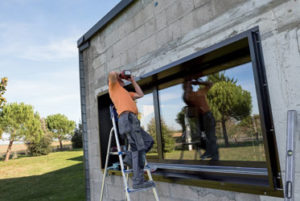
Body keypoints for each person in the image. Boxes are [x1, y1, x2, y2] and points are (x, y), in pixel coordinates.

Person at [108, 71, 154, 189]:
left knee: (148, 141)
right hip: (126, 118)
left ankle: (129, 158)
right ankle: (138, 181)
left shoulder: (127, 93)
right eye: (121, 79)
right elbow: (112, 73)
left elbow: (140, 94)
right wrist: (121, 74)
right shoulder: (113, 88)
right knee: (138, 148)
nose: (123, 80)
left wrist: (132, 80)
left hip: (133, 120)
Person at [183, 75, 219, 161]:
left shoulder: (199, 92)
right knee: (200, 137)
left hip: (207, 116)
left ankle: (214, 157)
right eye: (186, 87)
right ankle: (210, 152)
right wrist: (189, 83)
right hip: (200, 118)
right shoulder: (188, 97)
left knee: (211, 137)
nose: (187, 89)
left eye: (188, 87)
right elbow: (187, 97)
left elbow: (210, 83)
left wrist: (198, 82)